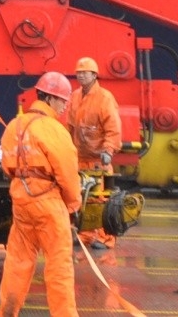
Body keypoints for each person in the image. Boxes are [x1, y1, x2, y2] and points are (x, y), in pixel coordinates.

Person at [0, 71, 82, 317]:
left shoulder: (15, 125)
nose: (65, 105)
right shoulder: (54, 129)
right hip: (48, 204)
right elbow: (67, 172)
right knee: (59, 267)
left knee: (17, 262)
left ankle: (7, 312)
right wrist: (73, 203)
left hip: (21, 202)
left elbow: (7, 166)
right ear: (51, 98)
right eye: (63, 100)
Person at [66, 56, 122, 249]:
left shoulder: (105, 98)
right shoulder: (75, 96)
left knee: (101, 200)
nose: (80, 75)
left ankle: (107, 238)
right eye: (78, 72)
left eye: (85, 72)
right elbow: (70, 127)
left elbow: (113, 128)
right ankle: (85, 234)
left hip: (98, 160)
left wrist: (108, 150)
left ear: (94, 75)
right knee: (80, 199)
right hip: (80, 159)